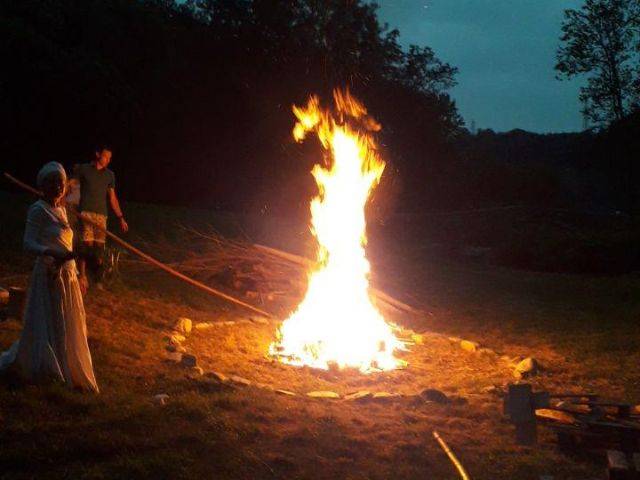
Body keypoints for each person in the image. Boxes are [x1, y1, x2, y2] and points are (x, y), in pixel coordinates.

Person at [0, 162, 99, 392]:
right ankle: (49, 366)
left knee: (65, 318)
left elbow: (66, 242)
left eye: (61, 183)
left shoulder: (63, 210)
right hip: (48, 273)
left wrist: (77, 272)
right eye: (53, 182)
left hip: (67, 275)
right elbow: (29, 243)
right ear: (43, 185)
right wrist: (51, 252)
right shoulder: (38, 210)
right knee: (49, 317)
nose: (58, 187)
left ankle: (68, 360)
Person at [75, 146, 128, 290]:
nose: (108, 160)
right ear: (98, 154)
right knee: (87, 246)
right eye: (105, 156)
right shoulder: (85, 169)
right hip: (86, 213)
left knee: (98, 248)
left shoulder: (110, 175)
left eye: (110, 158)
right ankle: (82, 277)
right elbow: (72, 184)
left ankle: (97, 280)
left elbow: (112, 198)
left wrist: (120, 217)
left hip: (101, 215)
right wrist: (61, 196)